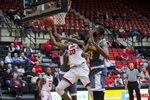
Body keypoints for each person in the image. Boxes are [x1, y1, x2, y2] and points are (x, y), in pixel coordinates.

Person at [51, 27, 93, 99]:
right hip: (73, 70)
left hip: (82, 68)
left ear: (79, 37)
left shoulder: (81, 43)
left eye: (76, 34)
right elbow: (55, 43)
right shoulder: (69, 46)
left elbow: (76, 41)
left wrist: (62, 37)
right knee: (58, 89)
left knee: (91, 90)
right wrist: (49, 31)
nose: (73, 34)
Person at [48, 27, 77, 100]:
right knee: (64, 97)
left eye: (69, 43)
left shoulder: (74, 51)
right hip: (64, 74)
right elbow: (57, 41)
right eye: (66, 43)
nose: (68, 44)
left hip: (73, 74)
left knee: (74, 96)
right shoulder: (63, 51)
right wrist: (52, 29)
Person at [82, 25, 109, 100]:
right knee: (99, 96)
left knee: (97, 96)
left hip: (99, 70)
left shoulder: (103, 43)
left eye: (94, 29)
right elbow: (83, 53)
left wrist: (94, 43)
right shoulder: (90, 41)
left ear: (98, 32)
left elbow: (106, 55)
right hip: (93, 70)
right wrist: (84, 54)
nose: (92, 31)